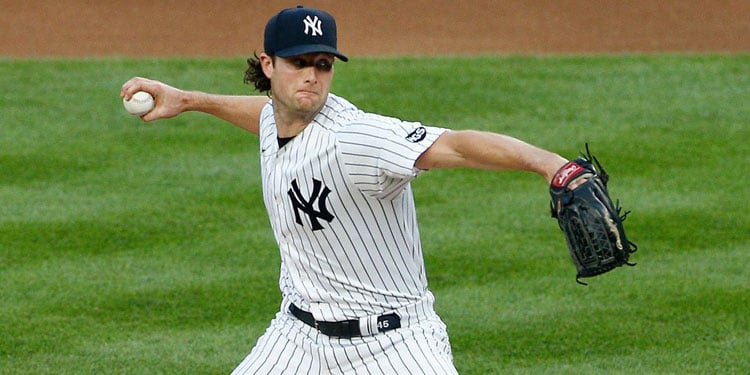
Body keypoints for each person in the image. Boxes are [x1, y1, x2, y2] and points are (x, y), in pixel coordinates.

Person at [121, 6, 567, 374]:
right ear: (268, 64)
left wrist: (550, 165)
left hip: (395, 345)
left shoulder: (354, 138)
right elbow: (264, 112)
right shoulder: (275, 118)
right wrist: (190, 100)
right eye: (299, 63)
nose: (312, 76)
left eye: (323, 65)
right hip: (298, 337)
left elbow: (457, 145)